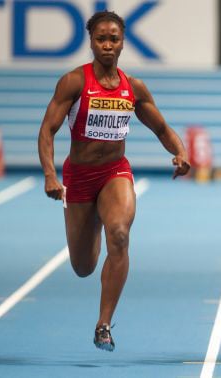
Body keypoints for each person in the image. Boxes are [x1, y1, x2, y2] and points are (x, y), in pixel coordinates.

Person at [38, 10, 190, 352]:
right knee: (83, 267)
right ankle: (89, 225)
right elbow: (47, 130)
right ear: (91, 42)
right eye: (101, 39)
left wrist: (179, 152)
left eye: (114, 39)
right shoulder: (74, 82)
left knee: (119, 235)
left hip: (114, 172)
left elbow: (162, 128)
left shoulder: (133, 87)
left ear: (123, 43)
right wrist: (50, 175)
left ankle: (103, 324)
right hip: (78, 177)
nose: (107, 45)